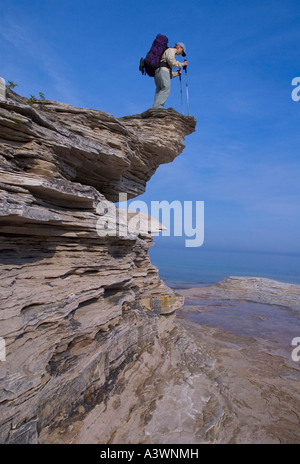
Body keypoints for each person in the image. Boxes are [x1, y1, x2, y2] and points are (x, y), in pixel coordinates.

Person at [152, 42, 188, 110]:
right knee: (166, 88)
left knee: (159, 90)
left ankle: (155, 108)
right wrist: (182, 64)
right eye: (182, 51)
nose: (181, 54)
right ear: (179, 47)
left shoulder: (167, 52)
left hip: (158, 72)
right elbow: (171, 61)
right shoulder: (171, 50)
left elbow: (169, 75)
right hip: (163, 71)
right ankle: (157, 107)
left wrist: (177, 73)